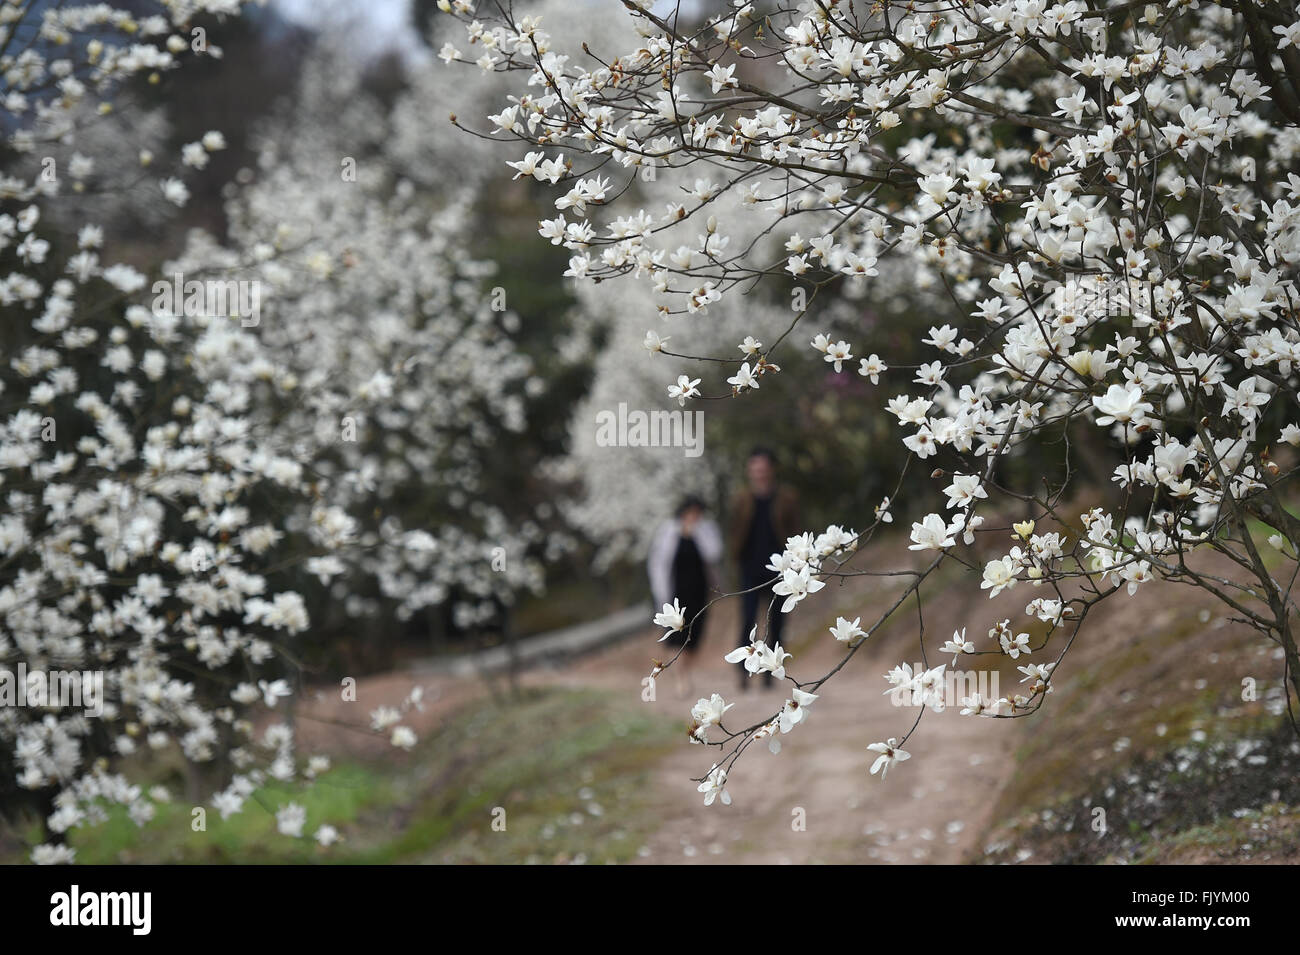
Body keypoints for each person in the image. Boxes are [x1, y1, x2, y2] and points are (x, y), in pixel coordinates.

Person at [727, 447, 801, 690]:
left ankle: (771, 670)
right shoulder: (741, 499)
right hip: (749, 568)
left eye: (762, 468)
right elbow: (735, 531)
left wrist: (797, 562)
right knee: (747, 620)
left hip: (780, 569)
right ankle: (744, 670)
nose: (759, 473)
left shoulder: (787, 498)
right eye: (754, 469)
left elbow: (794, 530)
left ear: (771, 470)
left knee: (778, 621)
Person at [647, 495, 723, 698]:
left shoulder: (706, 530)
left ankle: (685, 671)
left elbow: (714, 553)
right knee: (675, 636)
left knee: (694, 637)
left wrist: (696, 533)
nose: (693, 516)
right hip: (674, 593)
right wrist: (659, 593)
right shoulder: (668, 531)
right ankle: (682, 678)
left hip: (699, 593)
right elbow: (658, 563)